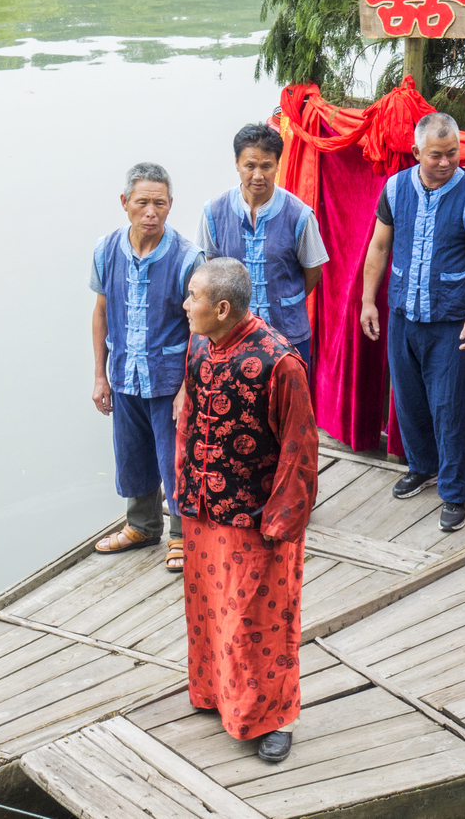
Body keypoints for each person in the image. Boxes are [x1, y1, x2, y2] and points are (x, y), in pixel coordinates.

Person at [174, 257, 318, 763]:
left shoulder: (281, 362)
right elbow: (188, 418)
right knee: (211, 611)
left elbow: (300, 447)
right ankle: (217, 694)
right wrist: (184, 488)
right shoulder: (199, 345)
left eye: (193, 297)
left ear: (221, 308)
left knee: (258, 621)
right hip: (204, 510)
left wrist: (281, 520)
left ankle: (275, 718)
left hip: (256, 520)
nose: (184, 305)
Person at [359, 112, 465, 532]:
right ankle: (421, 466)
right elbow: (379, 246)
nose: (446, 162)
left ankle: (454, 493)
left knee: (450, 407)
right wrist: (368, 301)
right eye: (436, 154)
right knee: (409, 399)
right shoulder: (394, 187)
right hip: (402, 314)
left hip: (450, 319)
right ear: (417, 151)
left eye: (452, 153)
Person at [89, 162, 199, 571]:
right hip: (124, 374)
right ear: (125, 203)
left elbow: (201, 328)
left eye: (159, 203)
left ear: (171, 204)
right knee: (132, 454)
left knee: (177, 458)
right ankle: (142, 525)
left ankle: (183, 535)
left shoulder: (188, 258)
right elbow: (101, 312)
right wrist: (100, 376)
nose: (150, 212)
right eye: (142, 203)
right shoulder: (106, 250)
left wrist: (188, 387)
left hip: (169, 379)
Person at [197, 123, 329, 366]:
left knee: (290, 390)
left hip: (288, 334)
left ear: (277, 165)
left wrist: (285, 298)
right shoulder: (214, 212)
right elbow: (211, 269)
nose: (258, 175)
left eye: (266, 166)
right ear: (237, 163)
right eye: (250, 166)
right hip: (232, 335)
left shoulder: (299, 215)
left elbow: (313, 271)